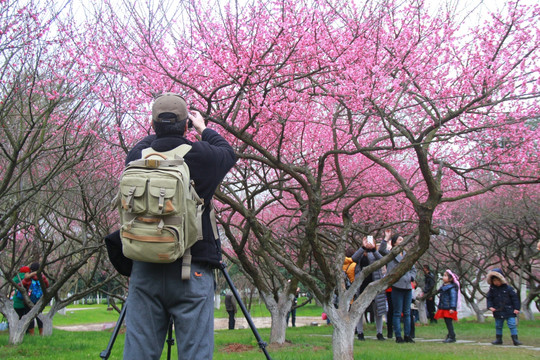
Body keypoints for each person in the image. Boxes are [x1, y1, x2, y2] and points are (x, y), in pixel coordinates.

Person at [122, 93, 237, 360]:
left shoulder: (137, 156)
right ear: (186, 125)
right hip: (191, 268)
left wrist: (161, 134)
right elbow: (228, 152)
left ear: (153, 126)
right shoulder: (204, 157)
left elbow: (149, 142)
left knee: (139, 353)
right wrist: (203, 128)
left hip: (145, 267)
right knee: (196, 353)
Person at [379, 230, 416, 343]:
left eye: (402, 240)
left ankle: (408, 335)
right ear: (394, 243)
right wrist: (386, 238)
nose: (402, 241)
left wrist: (411, 277)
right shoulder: (392, 254)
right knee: (397, 312)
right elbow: (381, 250)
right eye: (399, 239)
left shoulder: (407, 255)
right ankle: (398, 336)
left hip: (407, 286)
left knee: (407, 312)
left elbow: (413, 269)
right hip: (397, 286)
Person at [351, 236, 387, 341]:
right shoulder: (361, 253)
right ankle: (360, 332)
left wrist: (373, 249)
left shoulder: (375, 253)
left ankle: (379, 333)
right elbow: (353, 258)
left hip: (374, 284)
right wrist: (363, 247)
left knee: (377, 310)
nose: (369, 243)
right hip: (361, 285)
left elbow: (382, 260)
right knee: (360, 310)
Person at [486, 268, 522, 346]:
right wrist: (490, 306)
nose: (496, 282)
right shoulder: (492, 289)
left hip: (509, 310)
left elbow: (515, 298)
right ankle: (498, 339)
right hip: (498, 310)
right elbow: (489, 298)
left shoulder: (508, 288)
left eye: (497, 280)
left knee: (512, 324)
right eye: (494, 281)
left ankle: (515, 339)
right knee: (498, 325)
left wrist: (516, 308)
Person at [434, 269, 459, 343]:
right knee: (447, 322)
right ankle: (450, 334)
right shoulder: (444, 287)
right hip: (444, 307)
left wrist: (452, 307)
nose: (443, 277)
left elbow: (453, 298)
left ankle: (452, 336)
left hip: (448, 308)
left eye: (445, 276)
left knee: (449, 322)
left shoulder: (451, 288)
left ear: (451, 278)